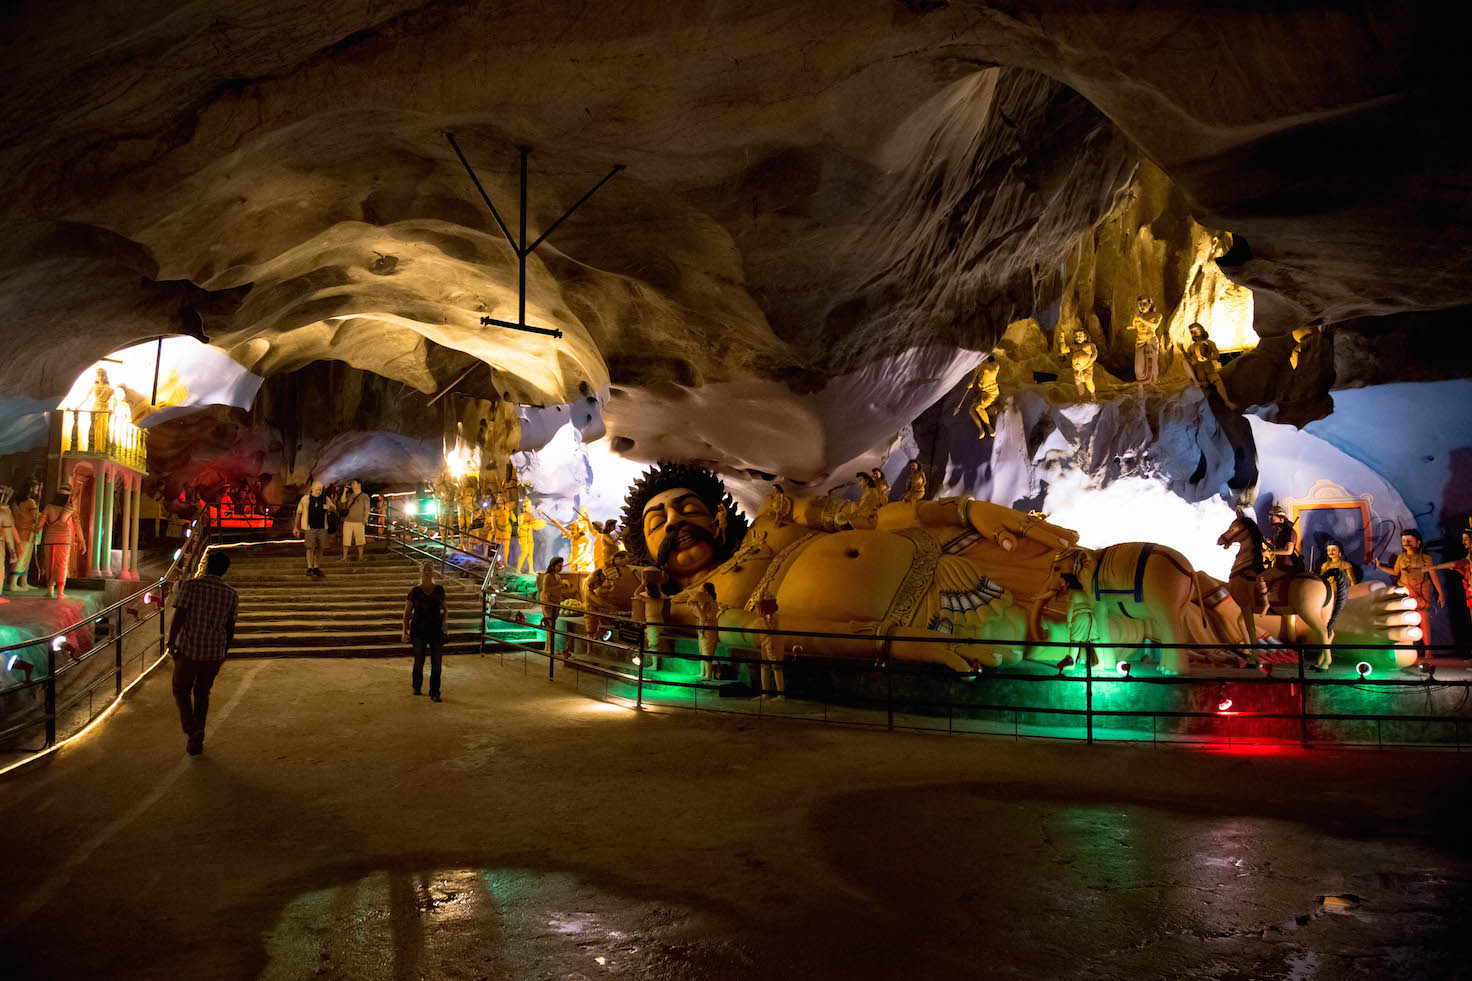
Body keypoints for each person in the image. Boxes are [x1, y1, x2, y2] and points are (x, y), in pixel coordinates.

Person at [167, 550, 238, 755]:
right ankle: (196, 740)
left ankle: (192, 729)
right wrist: (224, 651)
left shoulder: (191, 586)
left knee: (181, 689)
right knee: (202, 693)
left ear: (206, 566)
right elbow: (230, 627)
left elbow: (179, 615)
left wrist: (172, 642)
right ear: (225, 571)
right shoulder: (231, 594)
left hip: (190, 649)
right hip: (214, 651)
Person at [1375, 529, 1444, 655]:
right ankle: (1408, 652)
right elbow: (1396, 573)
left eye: (1409, 540)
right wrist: (1380, 567)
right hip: (1405, 590)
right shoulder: (1401, 557)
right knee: (1405, 620)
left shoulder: (1425, 558)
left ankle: (1428, 652)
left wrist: (1440, 593)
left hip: (1422, 591)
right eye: (1403, 541)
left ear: (1418, 543)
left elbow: (1433, 575)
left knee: (1424, 621)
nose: (1406, 543)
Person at [402, 560, 448, 701]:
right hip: (419, 630)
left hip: (435, 629)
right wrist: (404, 631)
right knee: (419, 661)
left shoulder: (439, 590)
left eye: (429, 569)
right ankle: (417, 686)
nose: (427, 572)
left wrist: (445, 624)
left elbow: (444, 609)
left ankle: (435, 691)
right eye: (425, 570)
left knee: (436, 662)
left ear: (433, 571)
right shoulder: (414, 591)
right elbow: (407, 612)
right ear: (420, 571)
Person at [38, 477, 88, 600]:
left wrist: (34, 529)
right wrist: (82, 542)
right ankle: (60, 593)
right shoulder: (70, 508)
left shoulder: (49, 507)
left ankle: (50, 591)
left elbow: (39, 525)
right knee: (62, 565)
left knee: (49, 564)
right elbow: (77, 525)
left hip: (49, 539)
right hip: (64, 540)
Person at [1181, 323, 1236, 407]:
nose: (1193, 333)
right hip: (1198, 371)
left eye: (1195, 330)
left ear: (1201, 330)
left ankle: (1226, 401)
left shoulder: (1209, 343)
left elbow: (1217, 355)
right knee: (1184, 361)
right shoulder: (1192, 347)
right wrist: (1183, 350)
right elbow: (1188, 358)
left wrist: (1208, 358)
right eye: (1191, 331)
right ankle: (1197, 382)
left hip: (1208, 369)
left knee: (1218, 382)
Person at [293, 480, 335, 578]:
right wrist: (296, 527)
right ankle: (309, 567)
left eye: (320, 490)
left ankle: (316, 566)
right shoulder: (305, 499)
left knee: (321, 547)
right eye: (316, 490)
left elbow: (334, 508)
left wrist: (328, 507)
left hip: (322, 527)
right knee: (310, 547)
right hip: (310, 527)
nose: (318, 492)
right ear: (312, 489)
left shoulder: (325, 498)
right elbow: (298, 513)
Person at [680, 581, 721, 680]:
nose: (700, 592)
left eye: (702, 589)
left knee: (707, 651)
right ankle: (702, 672)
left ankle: (708, 675)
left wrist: (696, 605)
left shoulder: (709, 602)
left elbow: (702, 616)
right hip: (704, 627)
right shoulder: (707, 602)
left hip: (708, 628)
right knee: (702, 650)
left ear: (706, 591)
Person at [10, 480, 38, 592]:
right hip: (26, 532)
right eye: (35, 489)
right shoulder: (31, 502)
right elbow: (35, 518)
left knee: (24, 557)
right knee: (21, 557)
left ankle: (23, 582)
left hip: (18, 531)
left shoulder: (15, 502)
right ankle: (13, 583)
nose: (37, 491)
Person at [538, 556, 568, 656]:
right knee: (549, 624)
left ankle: (549, 648)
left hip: (556, 602)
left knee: (552, 625)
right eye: (559, 566)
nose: (561, 568)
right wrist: (561, 586)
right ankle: (550, 649)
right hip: (548, 602)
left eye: (562, 566)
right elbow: (546, 590)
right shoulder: (548, 576)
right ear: (553, 566)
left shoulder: (557, 576)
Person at [1132, 295, 1163, 390]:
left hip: (1151, 340)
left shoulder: (1157, 315)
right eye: (1140, 304)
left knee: (1153, 362)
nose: (1142, 306)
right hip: (1140, 341)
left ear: (1150, 304)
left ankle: (1154, 383)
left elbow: (1155, 325)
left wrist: (1141, 320)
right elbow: (1134, 326)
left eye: (1144, 304)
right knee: (1139, 364)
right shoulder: (1138, 317)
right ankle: (1141, 385)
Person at [1059, 327, 1098, 400]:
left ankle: (1093, 396)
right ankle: (1081, 396)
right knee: (1078, 383)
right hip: (1076, 369)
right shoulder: (1074, 346)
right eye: (1076, 336)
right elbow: (1063, 350)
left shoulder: (1090, 345)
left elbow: (1094, 355)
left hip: (1087, 367)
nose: (1078, 337)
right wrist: (1062, 338)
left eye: (1080, 335)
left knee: (1089, 381)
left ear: (1085, 337)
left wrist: (1088, 363)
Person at [338, 479, 370, 565]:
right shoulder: (350, 495)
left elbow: (367, 508)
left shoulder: (364, 496)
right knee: (346, 540)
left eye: (354, 483)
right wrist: (344, 491)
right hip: (348, 520)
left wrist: (365, 518)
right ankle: (344, 557)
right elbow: (342, 501)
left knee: (360, 540)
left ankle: (360, 556)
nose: (352, 485)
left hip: (359, 521)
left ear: (359, 485)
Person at [1264, 505, 1303, 574]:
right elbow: (1278, 549)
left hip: (1287, 567)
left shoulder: (1289, 531)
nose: (1272, 520)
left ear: (1282, 518)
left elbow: (1288, 551)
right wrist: (1270, 545)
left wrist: (1270, 552)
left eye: (1273, 518)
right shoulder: (1279, 533)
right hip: (1279, 565)